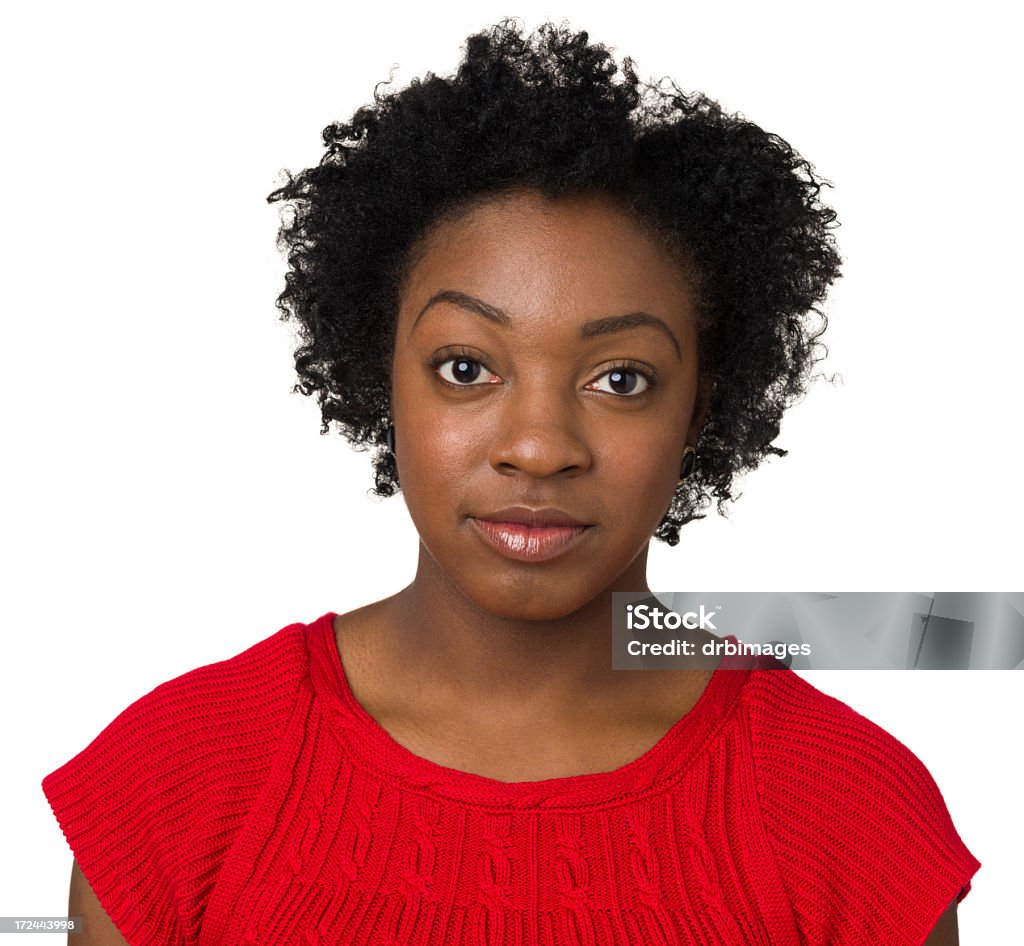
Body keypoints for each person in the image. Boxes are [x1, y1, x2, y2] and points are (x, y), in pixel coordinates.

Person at [43, 20, 979, 946]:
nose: (538, 448)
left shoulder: (852, 821)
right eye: (465, 367)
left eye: (621, 379)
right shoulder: (178, 782)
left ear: (700, 408)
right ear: (381, 377)